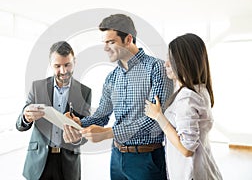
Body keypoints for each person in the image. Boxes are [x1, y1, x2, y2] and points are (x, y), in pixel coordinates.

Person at [63, 14, 173, 180]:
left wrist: (108, 133)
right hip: (117, 158)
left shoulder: (156, 68)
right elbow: (101, 115)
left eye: (111, 42)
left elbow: (155, 121)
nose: (105, 48)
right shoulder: (112, 77)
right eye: (104, 43)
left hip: (146, 159)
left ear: (128, 39)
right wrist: (79, 123)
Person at [145, 33, 223, 180]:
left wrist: (158, 116)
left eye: (170, 59)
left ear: (184, 62)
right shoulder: (199, 89)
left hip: (192, 174)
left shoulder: (186, 97)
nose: (165, 64)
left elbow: (187, 150)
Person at [16, 41, 92, 180]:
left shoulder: (84, 92)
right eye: (57, 66)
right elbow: (20, 125)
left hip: (67, 163)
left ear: (74, 62)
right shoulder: (37, 87)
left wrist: (77, 138)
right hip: (39, 161)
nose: (63, 71)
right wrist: (26, 117)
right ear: (51, 65)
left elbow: (85, 129)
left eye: (67, 65)